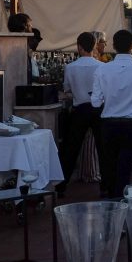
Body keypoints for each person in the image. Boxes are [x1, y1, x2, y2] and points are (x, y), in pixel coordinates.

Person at [91, 30, 132, 198]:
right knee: (125, 168)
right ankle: (120, 203)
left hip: (108, 124)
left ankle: (113, 202)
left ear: (113, 46)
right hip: (131, 125)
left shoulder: (102, 70)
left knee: (110, 166)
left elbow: (95, 102)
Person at [57, 32, 103, 196]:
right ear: (94, 46)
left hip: (80, 109)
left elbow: (67, 89)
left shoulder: (70, 67)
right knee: (103, 148)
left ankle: (61, 186)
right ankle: (106, 187)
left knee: (70, 149)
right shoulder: (101, 66)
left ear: (79, 47)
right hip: (98, 109)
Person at [8, 12, 43, 83]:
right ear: (24, 26)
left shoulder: (11, 45)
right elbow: (22, 74)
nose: (31, 27)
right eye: (30, 25)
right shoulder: (20, 48)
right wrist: (38, 79)